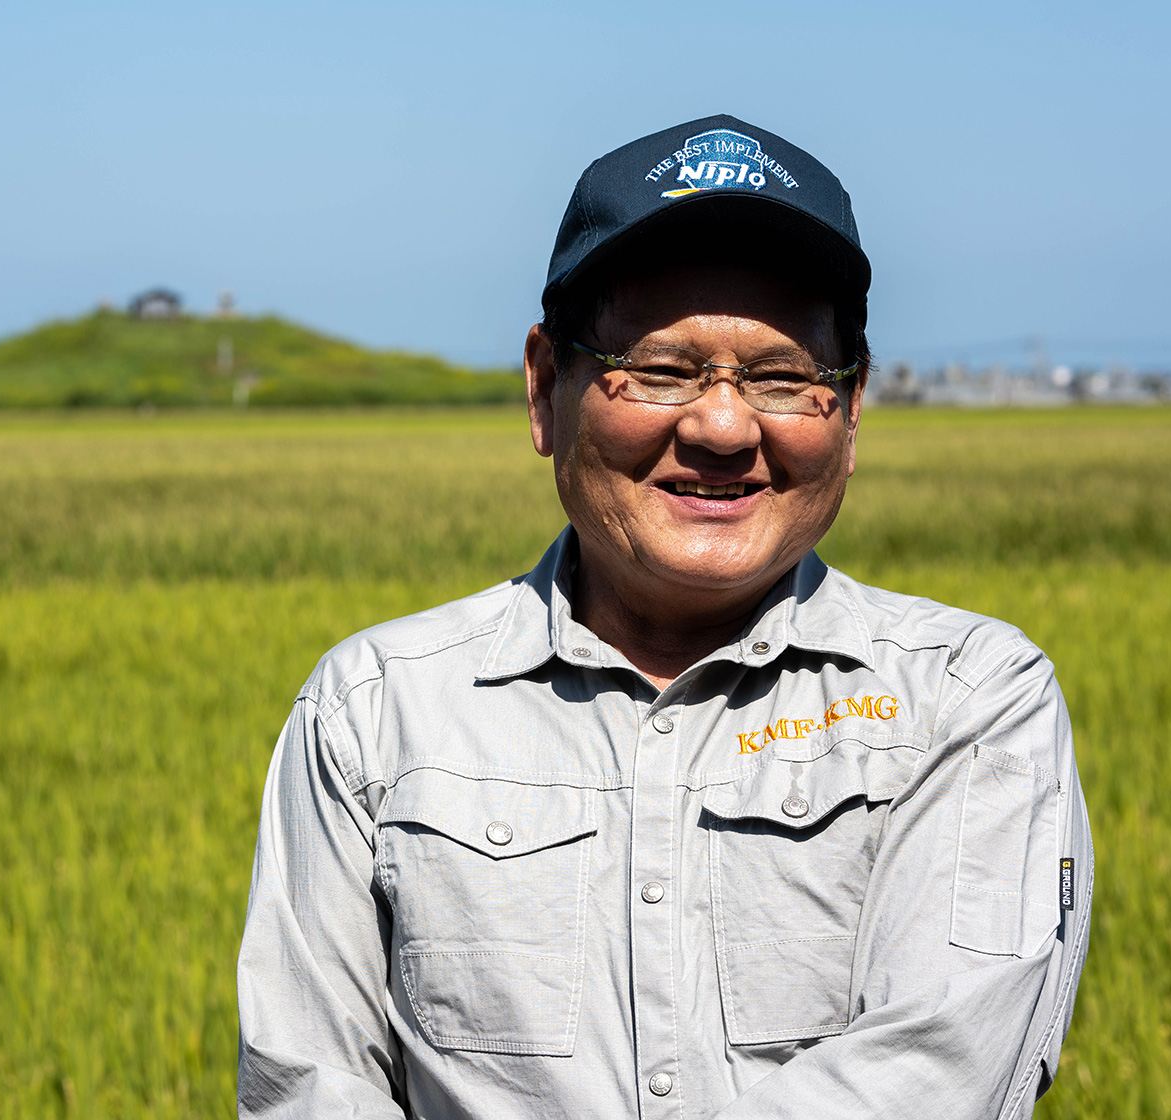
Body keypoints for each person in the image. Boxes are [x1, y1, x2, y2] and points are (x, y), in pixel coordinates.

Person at [236, 113, 1093, 1119]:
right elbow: (311, 1091)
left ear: (852, 413)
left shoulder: (968, 703)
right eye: (662, 368)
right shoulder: (376, 712)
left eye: (783, 378)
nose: (723, 427)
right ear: (543, 389)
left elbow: (931, 1078)